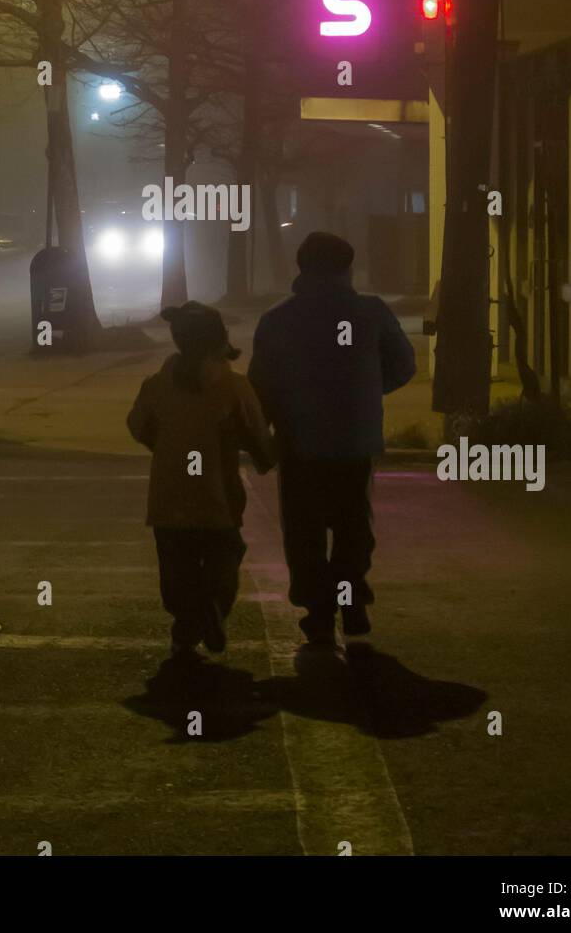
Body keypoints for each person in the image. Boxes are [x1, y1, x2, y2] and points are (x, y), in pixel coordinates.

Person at [248, 232, 415, 651]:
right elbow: (403, 366)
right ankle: (351, 598)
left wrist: (259, 437)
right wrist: (367, 391)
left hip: (299, 441)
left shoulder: (277, 320)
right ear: (348, 268)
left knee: (304, 530)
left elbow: (260, 387)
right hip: (355, 439)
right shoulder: (371, 312)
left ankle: (319, 613)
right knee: (352, 524)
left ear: (301, 269)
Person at [127, 302, 275, 659]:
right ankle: (212, 605)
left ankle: (185, 625)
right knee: (224, 555)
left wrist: (166, 446)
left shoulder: (157, 385)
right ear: (218, 339)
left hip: (167, 498)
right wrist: (266, 457)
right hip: (218, 498)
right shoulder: (234, 387)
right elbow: (258, 437)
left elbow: (138, 427)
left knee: (177, 565)